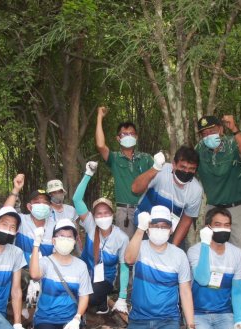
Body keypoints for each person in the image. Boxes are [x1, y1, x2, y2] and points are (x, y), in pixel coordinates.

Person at [73, 161, 130, 314]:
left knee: (88, 298)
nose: (103, 216)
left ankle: (101, 298)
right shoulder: (91, 225)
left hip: (105, 280)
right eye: (99, 213)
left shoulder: (121, 238)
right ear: (94, 215)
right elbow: (77, 200)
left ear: (112, 214)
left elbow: (124, 268)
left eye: (106, 213)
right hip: (84, 273)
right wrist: (88, 174)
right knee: (69, 291)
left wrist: (122, 297)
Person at [195, 115, 241, 251]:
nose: (208, 136)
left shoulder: (232, 143)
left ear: (221, 130)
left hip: (238, 208)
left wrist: (234, 129)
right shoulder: (199, 150)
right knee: (210, 248)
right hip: (213, 208)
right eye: (204, 134)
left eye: (212, 131)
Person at [95, 106, 154, 237]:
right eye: (124, 134)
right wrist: (99, 117)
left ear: (137, 137)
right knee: (126, 248)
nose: (128, 136)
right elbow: (100, 145)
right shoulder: (114, 158)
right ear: (118, 138)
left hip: (146, 209)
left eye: (131, 134)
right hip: (125, 211)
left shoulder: (146, 158)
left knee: (147, 246)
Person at [132, 147, 204, 248]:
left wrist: (173, 247)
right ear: (174, 164)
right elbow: (135, 189)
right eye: (183, 167)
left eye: (191, 169)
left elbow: (186, 220)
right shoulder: (161, 170)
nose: (186, 172)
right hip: (144, 225)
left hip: (169, 231)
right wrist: (154, 169)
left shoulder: (196, 190)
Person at [5, 174, 57, 308]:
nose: (42, 205)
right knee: (20, 279)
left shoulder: (55, 226)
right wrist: (16, 190)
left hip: (45, 271)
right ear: (29, 206)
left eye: (45, 203)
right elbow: (6, 212)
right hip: (22, 269)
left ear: (50, 208)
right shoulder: (21, 221)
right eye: (37, 202)